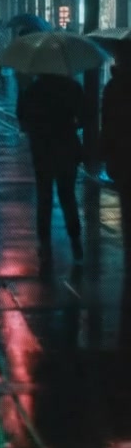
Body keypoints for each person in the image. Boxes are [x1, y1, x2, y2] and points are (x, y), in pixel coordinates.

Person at [17, 73, 85, 264]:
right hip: (67, 149)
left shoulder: (33, 90)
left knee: (44, 197)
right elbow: (84, 117)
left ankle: (45, 245)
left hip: (42, 150)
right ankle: (75, 240)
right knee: (68, 196)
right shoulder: (73, 88)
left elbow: (22, 119)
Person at [100, 44, 131, 275]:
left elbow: (107, 124)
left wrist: (104, 153)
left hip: (121, 155)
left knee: (126, 204)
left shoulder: (112, 87)